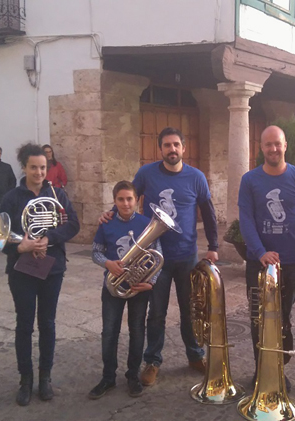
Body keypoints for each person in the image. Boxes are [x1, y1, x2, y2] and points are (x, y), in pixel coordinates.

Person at [98, 127, 218, 387]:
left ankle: (195, 355)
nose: (172, 149)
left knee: (190, 310)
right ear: (160, 149)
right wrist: (111, 214)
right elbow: (127, 197)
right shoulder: (146, 173)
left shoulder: (196, 177)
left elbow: (208, 212)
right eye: (167, 145)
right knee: (157, 313)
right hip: (155, 258)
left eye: (176, 144)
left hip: (187, 255)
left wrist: (213, 246)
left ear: (183, 148)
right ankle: (153, 361)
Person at [0, 143, 80, 406]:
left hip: (52, 267)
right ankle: (25, 379)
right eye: (33, 167)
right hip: (21, 269)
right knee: (24, 325)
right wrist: (19, 245)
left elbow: (73, 225)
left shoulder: (57, 194)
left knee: (47, 324)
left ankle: (45, 378)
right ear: (24, 167)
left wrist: (49, 237)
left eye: (43, 167)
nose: (39, 172)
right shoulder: (11, 197)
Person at [238, 125, 295, 390]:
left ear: (285, 145)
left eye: (277, 144)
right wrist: (261, 252)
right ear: (261, 148)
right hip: (257, 261)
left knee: (283, 316)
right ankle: (262, 370)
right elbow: (246, 219)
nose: (273, 149)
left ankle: (278, 370)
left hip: (292, 259)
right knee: (258, 317)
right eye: (268, 144)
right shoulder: (249, 180)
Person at [88, 181, 161, 400]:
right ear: (115, 201)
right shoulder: (106, 223)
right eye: (121, 199)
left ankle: (132, 376)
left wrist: (152, 282)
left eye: (129, 198)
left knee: (137, 330)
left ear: (136, 200)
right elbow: (95, 252)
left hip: (139, 287)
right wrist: (107, 263)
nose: (126, 203)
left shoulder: (147, 223)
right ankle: (108, 377)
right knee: (109, 331)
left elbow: (157, 254)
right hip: (113, 286)